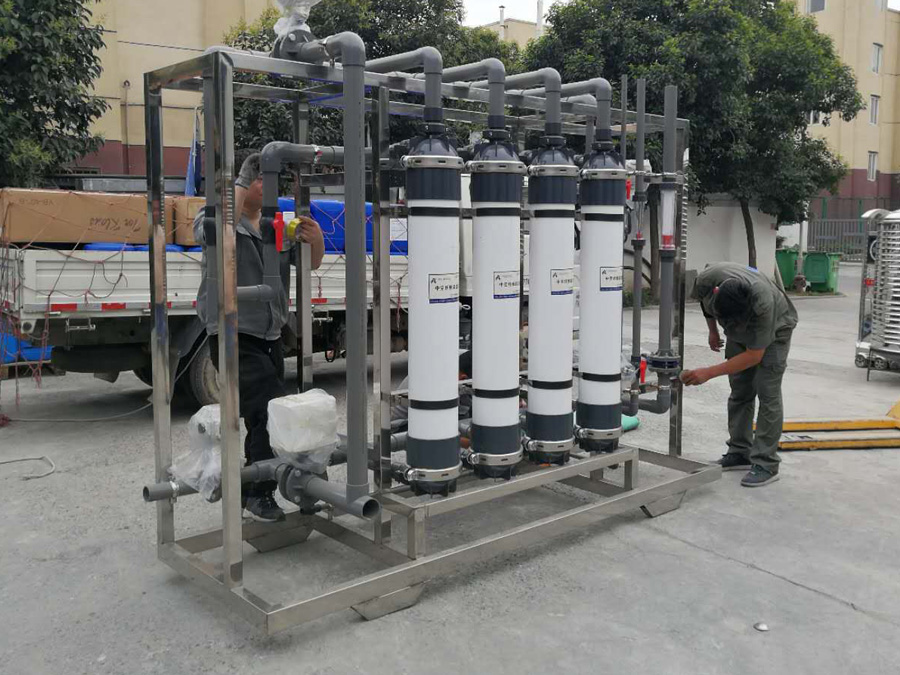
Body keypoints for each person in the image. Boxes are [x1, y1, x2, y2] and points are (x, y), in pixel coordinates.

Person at [194, 149, 325, 522]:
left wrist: (315, 237)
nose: (264, 186)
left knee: (264, 414)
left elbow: (312, 263)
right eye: (258, 179)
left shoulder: (276, 225)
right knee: (268, 410)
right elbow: (209, 233)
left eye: (267, 180)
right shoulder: (216, 217)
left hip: (270, 334)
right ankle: (259, 492)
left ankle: (259, 487)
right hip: (234, 332)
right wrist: (239, 181)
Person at [681, 262, 798, 488]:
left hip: (776, 329)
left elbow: (754, 356)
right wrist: (713, 331)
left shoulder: (762, 303)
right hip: (737, 331)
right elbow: (705, 304)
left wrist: (708, 372)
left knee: (768, 393)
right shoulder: (707, 279)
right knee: (740, 390)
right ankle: (740, 452)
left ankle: (766, 463)